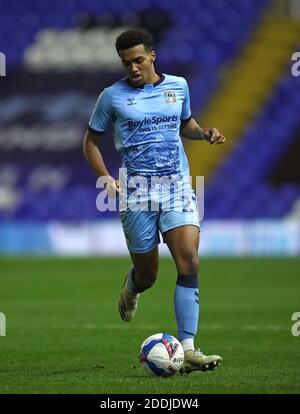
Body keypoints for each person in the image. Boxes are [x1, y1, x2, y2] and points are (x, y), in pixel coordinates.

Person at [83, 28, 225, 374]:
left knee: (189, 260)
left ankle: (189, 349)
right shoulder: (111, 97)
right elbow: (90, 141)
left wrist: (203, 133)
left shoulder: (178, 86)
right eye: (125, 62)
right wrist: (105, 176)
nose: (132, 68)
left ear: (152, 57)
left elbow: (185, 123)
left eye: (138, 60)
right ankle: (132, 288)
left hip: (176, 187)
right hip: (136, 195)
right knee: (148, 275)